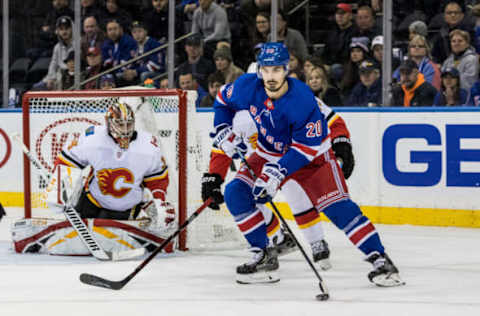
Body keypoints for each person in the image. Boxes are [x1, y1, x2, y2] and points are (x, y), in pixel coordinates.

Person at [204, 42, 403, 286]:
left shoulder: (302, 99)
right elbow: (222, 100)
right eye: (266, 70)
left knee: (337, 208)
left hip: (313, 160)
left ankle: (380, 259)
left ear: (286, 69)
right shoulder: (247, 86)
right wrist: (222, 129)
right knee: (236, 192)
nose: (271, 76)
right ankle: (263, 255)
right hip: (268, 154)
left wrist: (277, 174)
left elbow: (305, 148)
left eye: (276, 70)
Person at [54, 100, 175, 227]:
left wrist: (157, 200)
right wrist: (59, 185)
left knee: (108, 238)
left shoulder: (148, 146)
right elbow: (67, 161)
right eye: (120, 124)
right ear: (109, 123)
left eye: (129, 124)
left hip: (126, 207)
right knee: (76, 235)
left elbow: (158, 178)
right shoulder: (93, 138)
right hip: (91, 199)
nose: (125, 130)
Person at [32, 16, 74, 91]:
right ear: (57, 31)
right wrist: (51, 79)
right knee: (35, 88)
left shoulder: (78, 44)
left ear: (71, 29)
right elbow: (53, 65)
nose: (64, 32)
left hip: (70, 78)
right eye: (61, 29)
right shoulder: (57, 47)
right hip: (57, 77)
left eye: (66, 29)